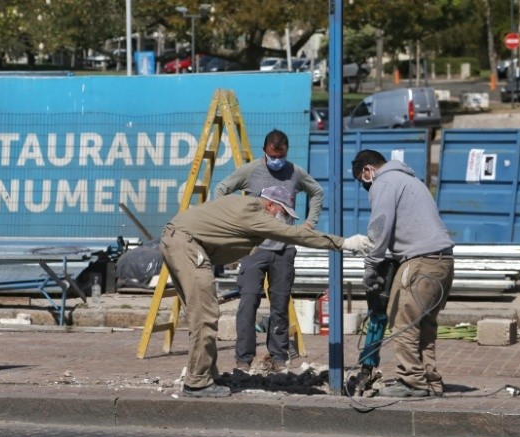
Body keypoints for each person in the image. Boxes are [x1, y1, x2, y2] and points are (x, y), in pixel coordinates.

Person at [160, 186, 372, 398]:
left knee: (201, 313)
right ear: (269, 204)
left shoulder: (240, 203)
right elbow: (294, 234)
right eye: (280, 212)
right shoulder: (255, 212)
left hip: (178, 241)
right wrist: (343, 243)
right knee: (205, 315)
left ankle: (207, 374)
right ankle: (197, 382)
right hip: (187, 246)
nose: (279, 219)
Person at [214, 129, 324, 374]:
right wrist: (234, 220)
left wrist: (309, 223)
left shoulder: (294, 172)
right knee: (248, 301)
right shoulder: (252, 171)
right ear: (265, 151)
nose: (277, 161)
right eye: (273, 156)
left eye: (281, 155)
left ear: (286, 151)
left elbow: (316, 192)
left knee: (280, 304)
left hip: (284, 249)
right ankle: (243, 359)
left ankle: (278, 356)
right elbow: (221, 189)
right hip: (254, 249)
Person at [351, 149, 454, 398]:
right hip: (443, 261)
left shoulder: (383, 182)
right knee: (425, 325)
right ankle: (430, 380)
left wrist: (371, 265)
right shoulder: (411, 181)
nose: (365, 187)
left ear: (368, 171)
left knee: (403, 323)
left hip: (418, 262)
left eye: (362, 181)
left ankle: (411, 382)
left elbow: (380, 225)